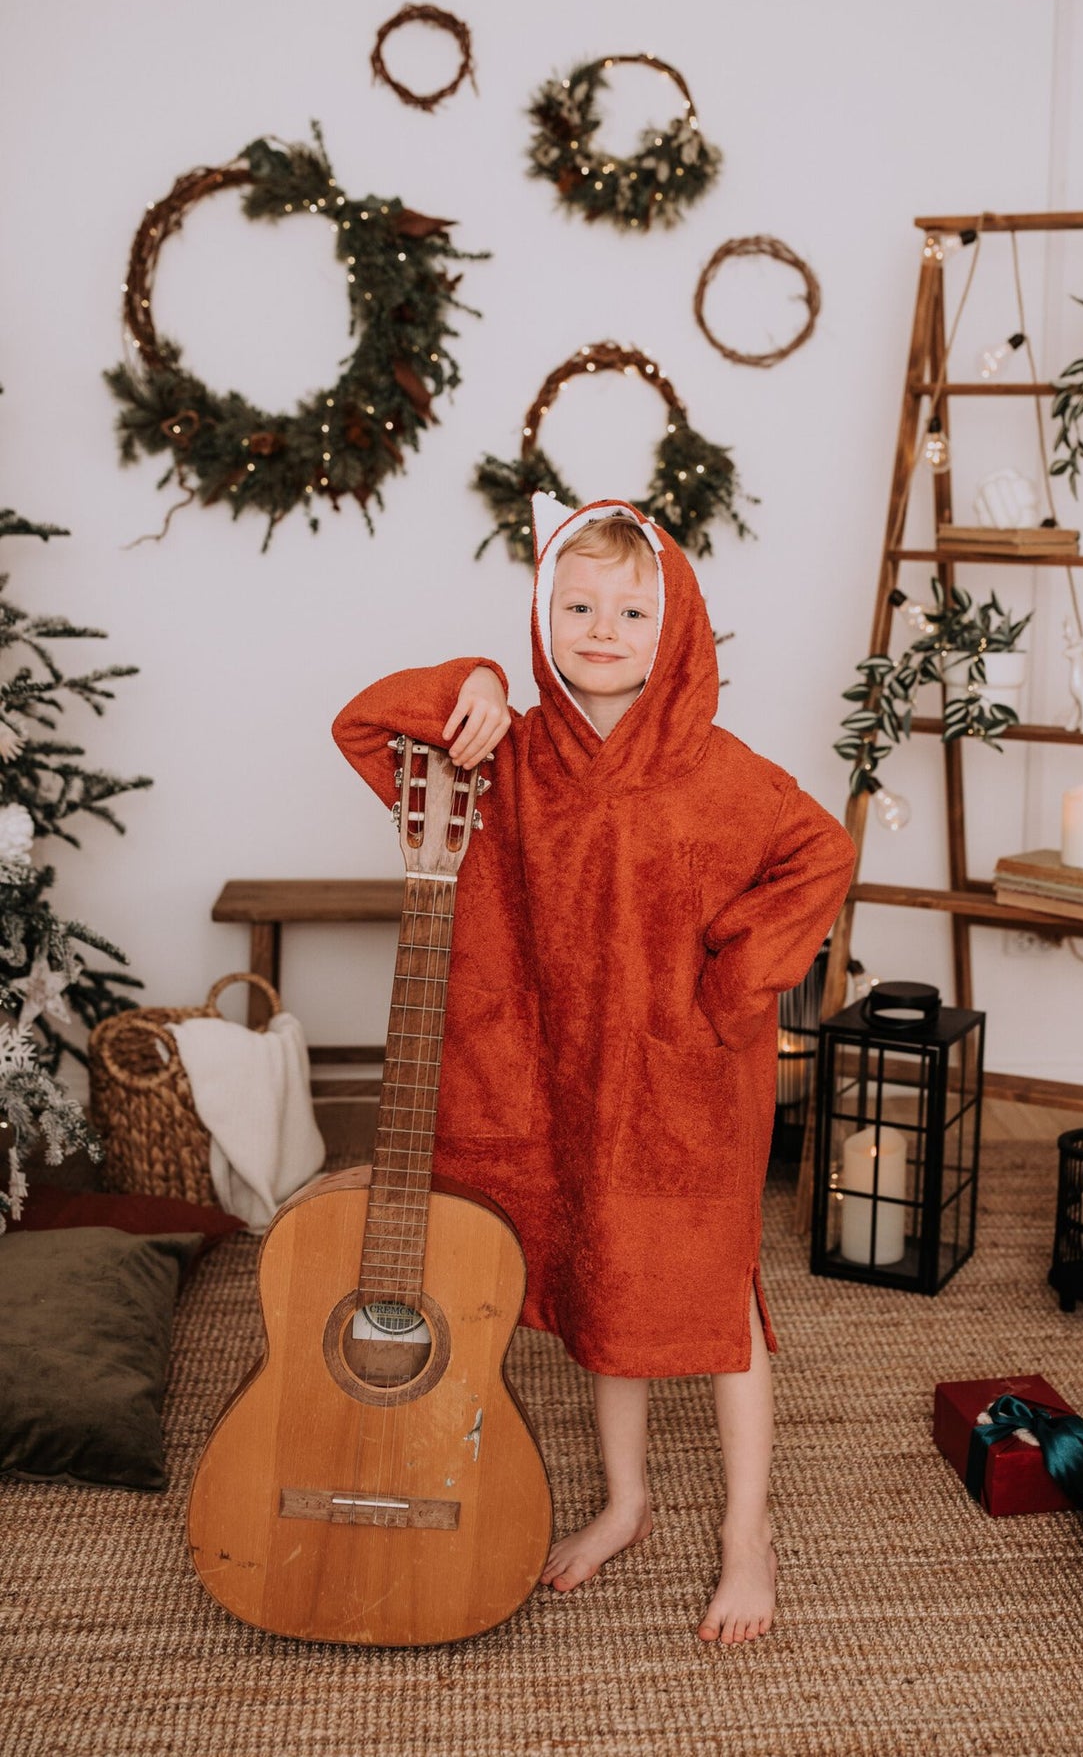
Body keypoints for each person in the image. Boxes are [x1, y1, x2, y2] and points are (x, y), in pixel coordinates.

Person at [332, 493, 855, 1644]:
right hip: (565, 1082)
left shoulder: (723, 773)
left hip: (688, 1090)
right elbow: (369, 730)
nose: (603, 626)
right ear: (540, 610)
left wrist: (736, 976)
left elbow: (823, 850)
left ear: (678, 627)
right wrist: (465, 680)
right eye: (577, 604)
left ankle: (746, 1532)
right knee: (601, 1280)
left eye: (631, 607)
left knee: (723, 1309)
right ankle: (628, 1501)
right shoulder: (505, 759)